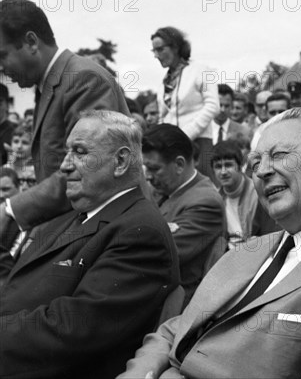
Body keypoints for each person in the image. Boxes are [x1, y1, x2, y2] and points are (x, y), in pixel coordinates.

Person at [119, 108, 301, 379]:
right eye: (255, 163)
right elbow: (175, 330)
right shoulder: (247, 250)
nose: (262, 171)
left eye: (280, 155)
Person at [0, 110, 180, 379]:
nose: (64, 165)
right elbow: (18, 279)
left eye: (80, 152)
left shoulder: (140, 232)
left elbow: (71, 330)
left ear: (120, 161)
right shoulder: (76, 213)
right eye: (66, 152)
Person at [0, 0, 129, 239]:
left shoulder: (83, 80)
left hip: (104, 236)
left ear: (31, 42)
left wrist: (11, 211)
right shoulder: (49, 85)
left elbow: (89, 170)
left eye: (2, 55)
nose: (1, 67)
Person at [142, 124, 225, 306]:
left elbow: (156, 254)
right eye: (146, 168)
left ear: (179, 164)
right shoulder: (167, 190)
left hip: (173, 308)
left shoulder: (204, 202)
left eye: (154, 169)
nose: (147, 176)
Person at [152, 27, 218, 175]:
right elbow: (163, 115)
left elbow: (213, 106)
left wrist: (186, 133)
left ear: (175, 47)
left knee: (200, 191)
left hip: (198, 144)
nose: (156, 55)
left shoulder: (201, 70)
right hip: (171, 147)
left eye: (160, 49)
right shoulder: (164, 81)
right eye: (154, 51)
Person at [211, 140, 277, 249]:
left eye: (228, 165)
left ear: (240, 165)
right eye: (218, 167)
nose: (223, 172)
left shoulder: (260, 193)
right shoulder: (216, 199)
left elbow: (269, 237)